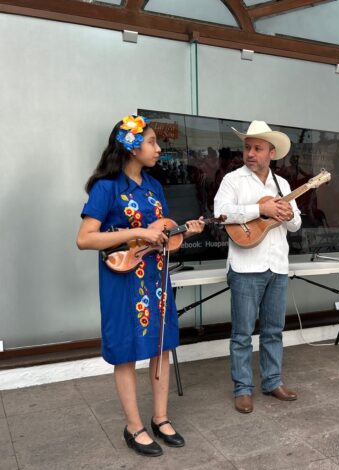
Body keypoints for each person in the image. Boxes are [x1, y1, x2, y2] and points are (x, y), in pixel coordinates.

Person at [77, 115, 205, 457]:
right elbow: (85, 239)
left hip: (156, 276)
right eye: (151, 141)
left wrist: (181, 233)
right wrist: (137, 233)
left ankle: (160, 418)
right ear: (131, 147)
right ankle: (133, 427)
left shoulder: (153, 186)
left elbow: (158, 234)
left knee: (161, 346)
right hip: (122, 280)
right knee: (127, 351)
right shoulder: (107, 187)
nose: (158, 148)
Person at [214, 120, 302, 413]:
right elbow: (221, 214)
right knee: (241, 333)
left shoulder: (283, 184)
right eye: (247, 147)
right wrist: (259, 209)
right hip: (245, 266)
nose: (250, 153)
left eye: (257, 148)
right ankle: (242, 388)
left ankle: (272, 381)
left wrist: (288, 214)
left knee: (274, 330)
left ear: (271, 153)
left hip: (277, 266)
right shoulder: (232, 180)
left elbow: (296, 225)